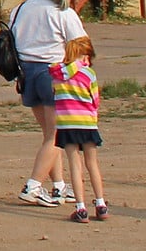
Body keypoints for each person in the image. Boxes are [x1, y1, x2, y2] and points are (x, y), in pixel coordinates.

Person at [11, 0, 80, 206]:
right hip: (53, 73)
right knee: (56, 134)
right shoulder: (63, 12)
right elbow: (81, 49)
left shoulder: (20, 10)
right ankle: (33, 185)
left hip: (27, 75)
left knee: (49, 135)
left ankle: (59, 187)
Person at [53, 35, 109, 221]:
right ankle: (100, 204)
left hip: (67, 125)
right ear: (84, 56)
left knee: (74, 165)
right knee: (92, 164)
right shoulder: (89, 74)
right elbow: (95, 100)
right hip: (87, 124)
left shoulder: (57, 76)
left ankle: (81, 208)